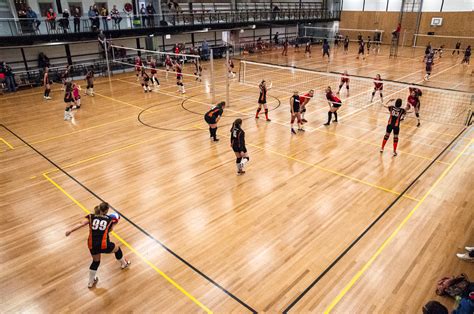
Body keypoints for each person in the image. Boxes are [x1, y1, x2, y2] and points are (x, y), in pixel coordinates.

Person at [65, 202, 131, 288]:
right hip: (104, 245)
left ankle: (90, 282)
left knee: (96, 261)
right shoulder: (109, 220)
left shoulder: (91, 216)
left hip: (92, 244)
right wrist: (115, 223)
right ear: (107, 210)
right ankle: (124, 264)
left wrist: (70, 230)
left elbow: (81, 224)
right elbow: (109, 231)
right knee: (117, 249)